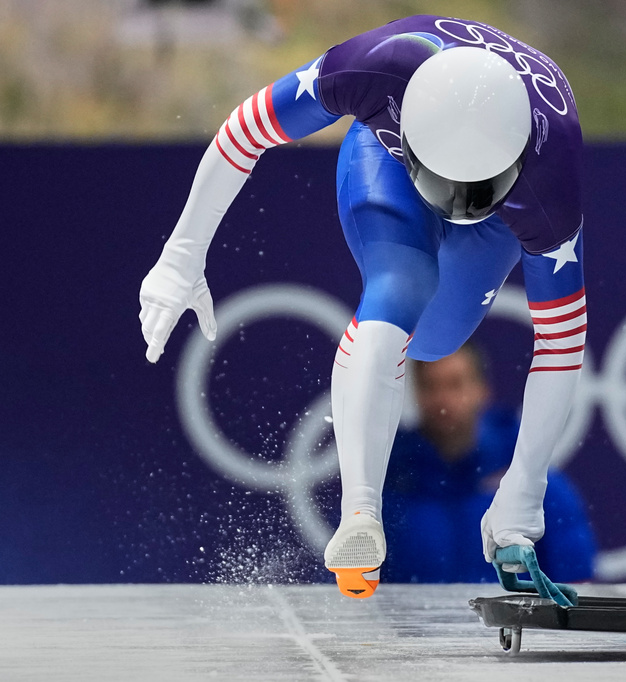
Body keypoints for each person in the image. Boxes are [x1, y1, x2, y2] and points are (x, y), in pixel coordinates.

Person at [139, 15, 587, 599]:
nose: (456, 207)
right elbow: (243, 132)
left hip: (505, 207)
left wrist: (525, 489)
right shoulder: (370, 68)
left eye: (474, 192)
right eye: (448, 187)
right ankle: (360, 515)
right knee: (401, 285)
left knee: (433, 341)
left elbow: (562, 340)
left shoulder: (552, 173)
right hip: (387, 161)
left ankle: (473, 196)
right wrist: (181, 255)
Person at [383, 341, 595, 583]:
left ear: (481, 389)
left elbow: (575, 585)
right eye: (430, 386)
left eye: (455, 384)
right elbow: (360, 586)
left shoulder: (533, 480)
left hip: (513, 622)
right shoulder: (388, 483)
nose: (443, 399)